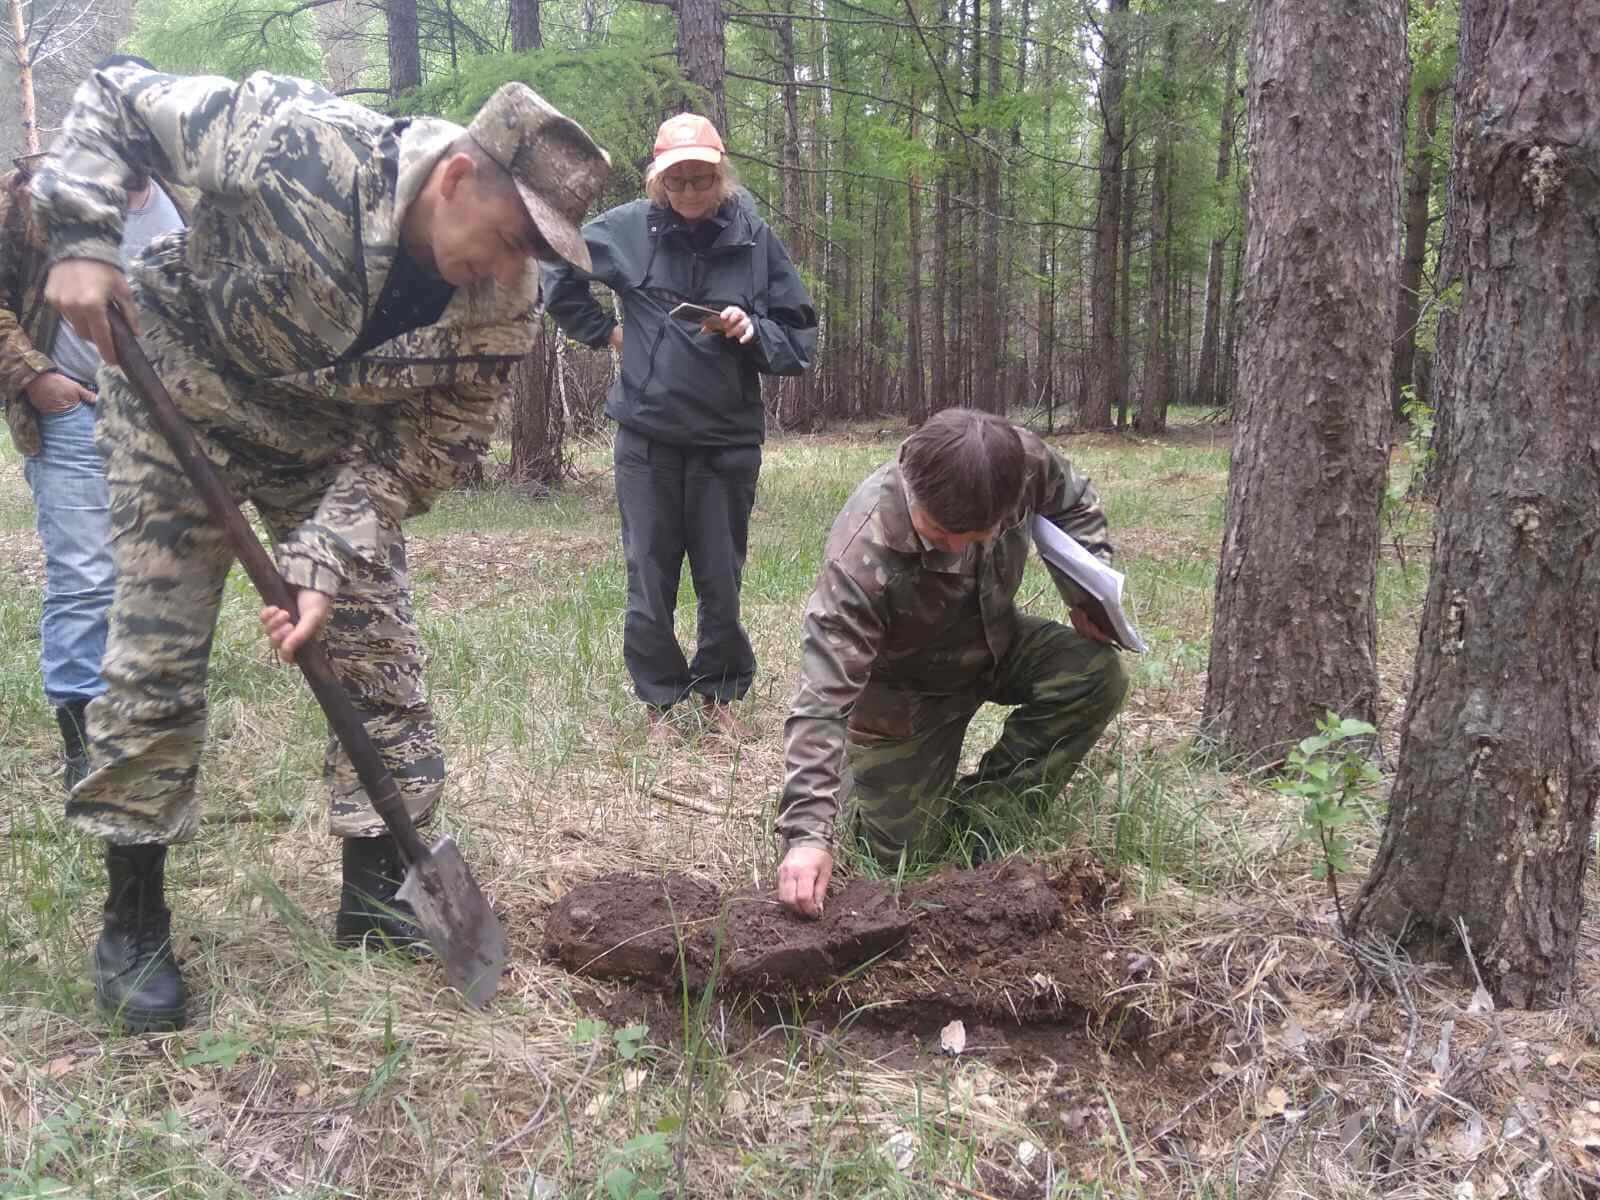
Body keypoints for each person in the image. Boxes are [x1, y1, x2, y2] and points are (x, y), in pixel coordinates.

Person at [33, 60, 610, 1031]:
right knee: (155, 659)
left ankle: (378, 887)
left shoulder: (504, 308)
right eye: (511, 240)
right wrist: (86, 240)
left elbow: (426, 444)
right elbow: (114, 95)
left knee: (377, 652)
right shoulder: (295, 142)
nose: (513, 272)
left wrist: (324, 561)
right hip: (179, 399)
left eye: (536, 256)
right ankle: (133, 919)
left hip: (322, 450)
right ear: (457, 179)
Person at [773, 409, 1131, 917]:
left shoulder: (1019, 461)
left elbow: (1073, 499)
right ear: (913, 491)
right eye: (941, 537)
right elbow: (821, 698)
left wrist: (1085, 592)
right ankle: (855, 794)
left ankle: (990, 814)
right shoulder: (861, 553)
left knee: (1097, 674)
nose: (960, 548)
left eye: (981, 536)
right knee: (902, 864)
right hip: (904, 692)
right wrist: (808, 833)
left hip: (995, 640)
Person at [543, 113, 816, 743]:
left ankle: (720, 692)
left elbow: (799, 340)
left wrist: (754, 332)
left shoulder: (755, 239)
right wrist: (604, 332)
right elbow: (557, 270)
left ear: (721, 175)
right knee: (650, 572)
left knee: (721, 575)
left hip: (726, 439)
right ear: (658, 179)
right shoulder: (625, 231)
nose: (690, 192)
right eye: (678, 180)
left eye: (702, 179)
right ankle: (661, 701)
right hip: (647, 437)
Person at [0, 57, 188, 793]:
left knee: (152, 576)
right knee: (85, 576)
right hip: (76, 407)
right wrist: (32, 374)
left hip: (164, 417)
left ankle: (140, 718)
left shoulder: (183, 199)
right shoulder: (36, 204)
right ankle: (81, 742)